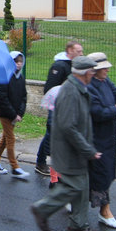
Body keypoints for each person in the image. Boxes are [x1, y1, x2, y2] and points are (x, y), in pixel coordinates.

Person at [30, 55, 101, 231]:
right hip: (69, 150)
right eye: (92, 71)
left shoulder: (79, 88)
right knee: (73, 186)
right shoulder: (70, 92)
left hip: (76, 149)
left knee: (82, 185)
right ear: (84, 73)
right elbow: (68, 127)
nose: (94, 74)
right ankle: (42, 209)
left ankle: (78, 224)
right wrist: (87, 149)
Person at [86, 52, 116, 229]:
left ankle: (71, 199)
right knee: (101, 175)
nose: (107, 69)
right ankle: (104, 211)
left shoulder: (105, 81)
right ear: (93, 70)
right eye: (103, 68)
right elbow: (98, 112)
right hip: (95, 139)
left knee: (105, 173)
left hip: (108, 137)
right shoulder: (89, 87)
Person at [35, 41, 84, 176]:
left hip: (69, 107)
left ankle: (58, 167)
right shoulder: (59, 66)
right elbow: (49, 88)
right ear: (70, 51)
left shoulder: (75, 66)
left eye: (81, 51)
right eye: (78, 51)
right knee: (51, 134)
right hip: (57, 107)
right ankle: (42, 163)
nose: (81, 54)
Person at [0, 51, 29, 179]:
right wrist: (13, 114)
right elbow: (2, 98)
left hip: (14, 114)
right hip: (4, 113)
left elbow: (24, 96)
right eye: (16, 62)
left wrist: (20, 113)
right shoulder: (4, 76)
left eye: (20, 62)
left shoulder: (20, 78)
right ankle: (15, 167)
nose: (18, 64)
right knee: (11, 138)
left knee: (6, 138)